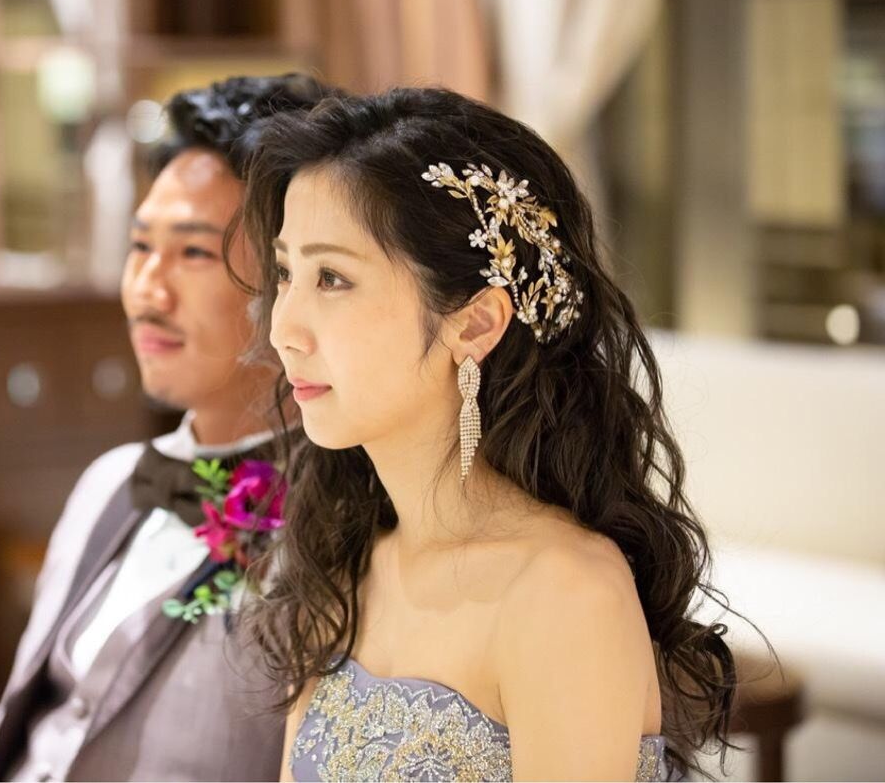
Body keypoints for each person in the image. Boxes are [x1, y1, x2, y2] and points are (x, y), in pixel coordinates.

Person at [226, 87, 743, 781]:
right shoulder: (342, 567)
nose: (283, 327)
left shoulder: (563, 592)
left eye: (333, 278)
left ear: (474, 324)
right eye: (287, 272)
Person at [0, 73, 338, 782]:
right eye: (139, 247)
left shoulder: (338, 530)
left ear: (291, 279)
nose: (147, 290)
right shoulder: (111, 482)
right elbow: (10, 733)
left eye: (193, 253)